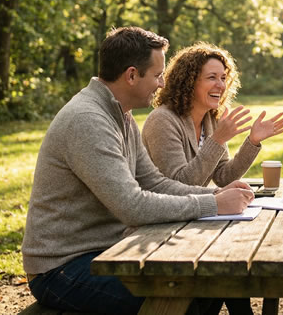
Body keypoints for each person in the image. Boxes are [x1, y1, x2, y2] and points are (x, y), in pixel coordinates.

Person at [21, 27, 254, 315]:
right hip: (62, 268)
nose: (161, 84)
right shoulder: (88, 120)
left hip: (107, 250)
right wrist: (212, 203)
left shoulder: (121, 114)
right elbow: (132, 206)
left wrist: (218, 195)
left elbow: (153, 182)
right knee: (190, 298)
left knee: (214, 275)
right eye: (157, 76)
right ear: (131, 75)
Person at [143, 42, 283, 187]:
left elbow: (223, 177)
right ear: (189, 82)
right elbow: (179, 185)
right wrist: (217, 139)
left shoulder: (210, 119)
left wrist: (252, 142)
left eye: (223, 78)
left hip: (194, 208)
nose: (221, 85)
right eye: (212, 77)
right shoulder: (162, 120)